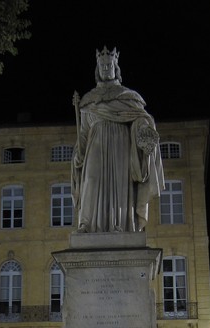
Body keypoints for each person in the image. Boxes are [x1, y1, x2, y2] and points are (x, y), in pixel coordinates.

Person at [71, 47, 164, 234]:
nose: (106, 69)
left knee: (119, 183)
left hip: (120, 144)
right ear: (98, 69)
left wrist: (144, 131)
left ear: (116, 67)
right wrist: (78, 153)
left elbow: (142, 118)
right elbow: (83, 133)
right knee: (91, 179)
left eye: (109, 65)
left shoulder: (128, 97)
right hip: (95, 144)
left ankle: (119, 224)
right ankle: (86, 224)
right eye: (102, 66)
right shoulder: (88, 100)